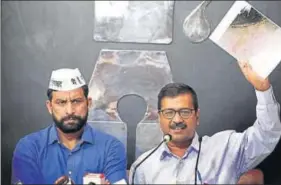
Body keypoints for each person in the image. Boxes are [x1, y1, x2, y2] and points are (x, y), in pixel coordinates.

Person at [129, 61, 281, 184]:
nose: (177, 120)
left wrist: (263, 89)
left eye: (185, 112)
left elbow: (267, 135)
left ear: (197, 116)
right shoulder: (143, 167)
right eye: (169, 113)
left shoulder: (225, 149)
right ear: (159, 118)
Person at [11, 68, 127, 184]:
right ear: (50, 107)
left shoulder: (111, 148)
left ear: (88, 103)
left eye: (76, 101)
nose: (70, 111)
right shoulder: (29, 148)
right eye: (61, 102)